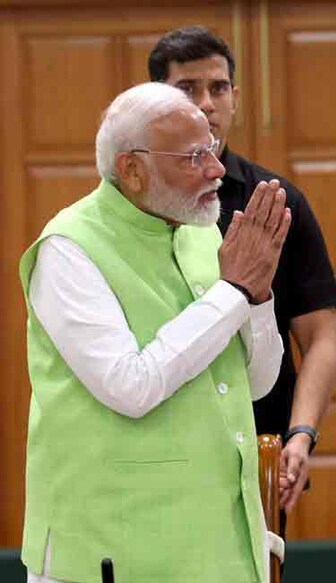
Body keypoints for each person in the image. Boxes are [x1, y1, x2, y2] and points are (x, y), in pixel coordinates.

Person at [21, 82, 288, 582]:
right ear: (133, 169)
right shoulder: (67, 249)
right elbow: (131, 385)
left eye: (212, 148)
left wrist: (257, 295)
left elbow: (255, 383)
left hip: (219, 549)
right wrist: (233, 292)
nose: (216, 170)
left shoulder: (202, 230)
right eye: (193, 157)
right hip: (110, 551)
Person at [149, 26, 336, 516]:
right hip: (159, 452)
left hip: (258, 450)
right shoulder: (140, 205)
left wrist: (301, 435)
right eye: (187, 90)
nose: (206, 103)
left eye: (217, 88)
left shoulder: (276, 201)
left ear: (235, 97)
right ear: (156, 103)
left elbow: (319, 337)